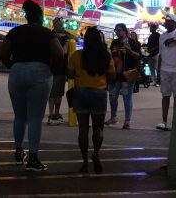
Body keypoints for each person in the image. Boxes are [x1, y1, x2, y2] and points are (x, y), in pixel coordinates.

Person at [0, 0, 65, 172]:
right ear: (40, 17)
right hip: (40, 72)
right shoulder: (46, 33)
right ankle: (33, 158)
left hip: (17, 71)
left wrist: (12, 65)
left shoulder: (14, 32)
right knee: (35, 117)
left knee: (20, 116)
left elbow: (3, 54)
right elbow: (59, 53)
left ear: (27, 17)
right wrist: (51, 66)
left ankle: (18, 152)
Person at [67, 26, 114, 174]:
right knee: (98, 129)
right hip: (99, 94)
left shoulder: (76, 55)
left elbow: (69, 74)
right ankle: (96, 153)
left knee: (83, 130)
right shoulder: (106, 56)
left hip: (81, 93)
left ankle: (85, 162)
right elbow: (112, 76)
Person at [106, 23, 141, 129]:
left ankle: (127, 120)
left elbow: (139, 56)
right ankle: (113, 117)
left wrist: (129, 50)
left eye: (119, 30)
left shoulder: (132, 42)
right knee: (112, 96)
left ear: (125, 31)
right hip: (115, 74)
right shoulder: (114, 42)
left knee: (127, 97)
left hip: (127, 74)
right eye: (116, 30)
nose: (117, 32)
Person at [156, 15, 176, 130]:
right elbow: (160, 54)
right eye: (165, 21)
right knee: (165, 96)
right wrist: (158, 69)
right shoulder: (162, 36)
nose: (165, 23)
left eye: (168, 21)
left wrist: (174, 40)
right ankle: (164, 122)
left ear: (174, 22)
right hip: (164, 70)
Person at [47, 17, 71, 125]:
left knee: (60, 93)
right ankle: (51, 114)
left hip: (62, 68)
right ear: (54, 25)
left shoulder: (65, 35)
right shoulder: (51, 35)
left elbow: (77, 38)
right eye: (60, 25)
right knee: (52, 94)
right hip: (53, 68)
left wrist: (64, 34)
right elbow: (63, 52)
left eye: (63, 25)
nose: (62, 27)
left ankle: (57, 113)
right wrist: (64, 42)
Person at [145, 23, 161, 87]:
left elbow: (160, 44)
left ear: (154, 28)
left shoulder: (158, 35)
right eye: (150, 28)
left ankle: (158, 81)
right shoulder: (150, 36)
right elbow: (149, 45)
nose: (150, 29)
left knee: (157, 68)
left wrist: (153, 49)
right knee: (152, 68)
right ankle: (154, 81)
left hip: (157, 53)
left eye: (151, 28)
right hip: (151, 54)